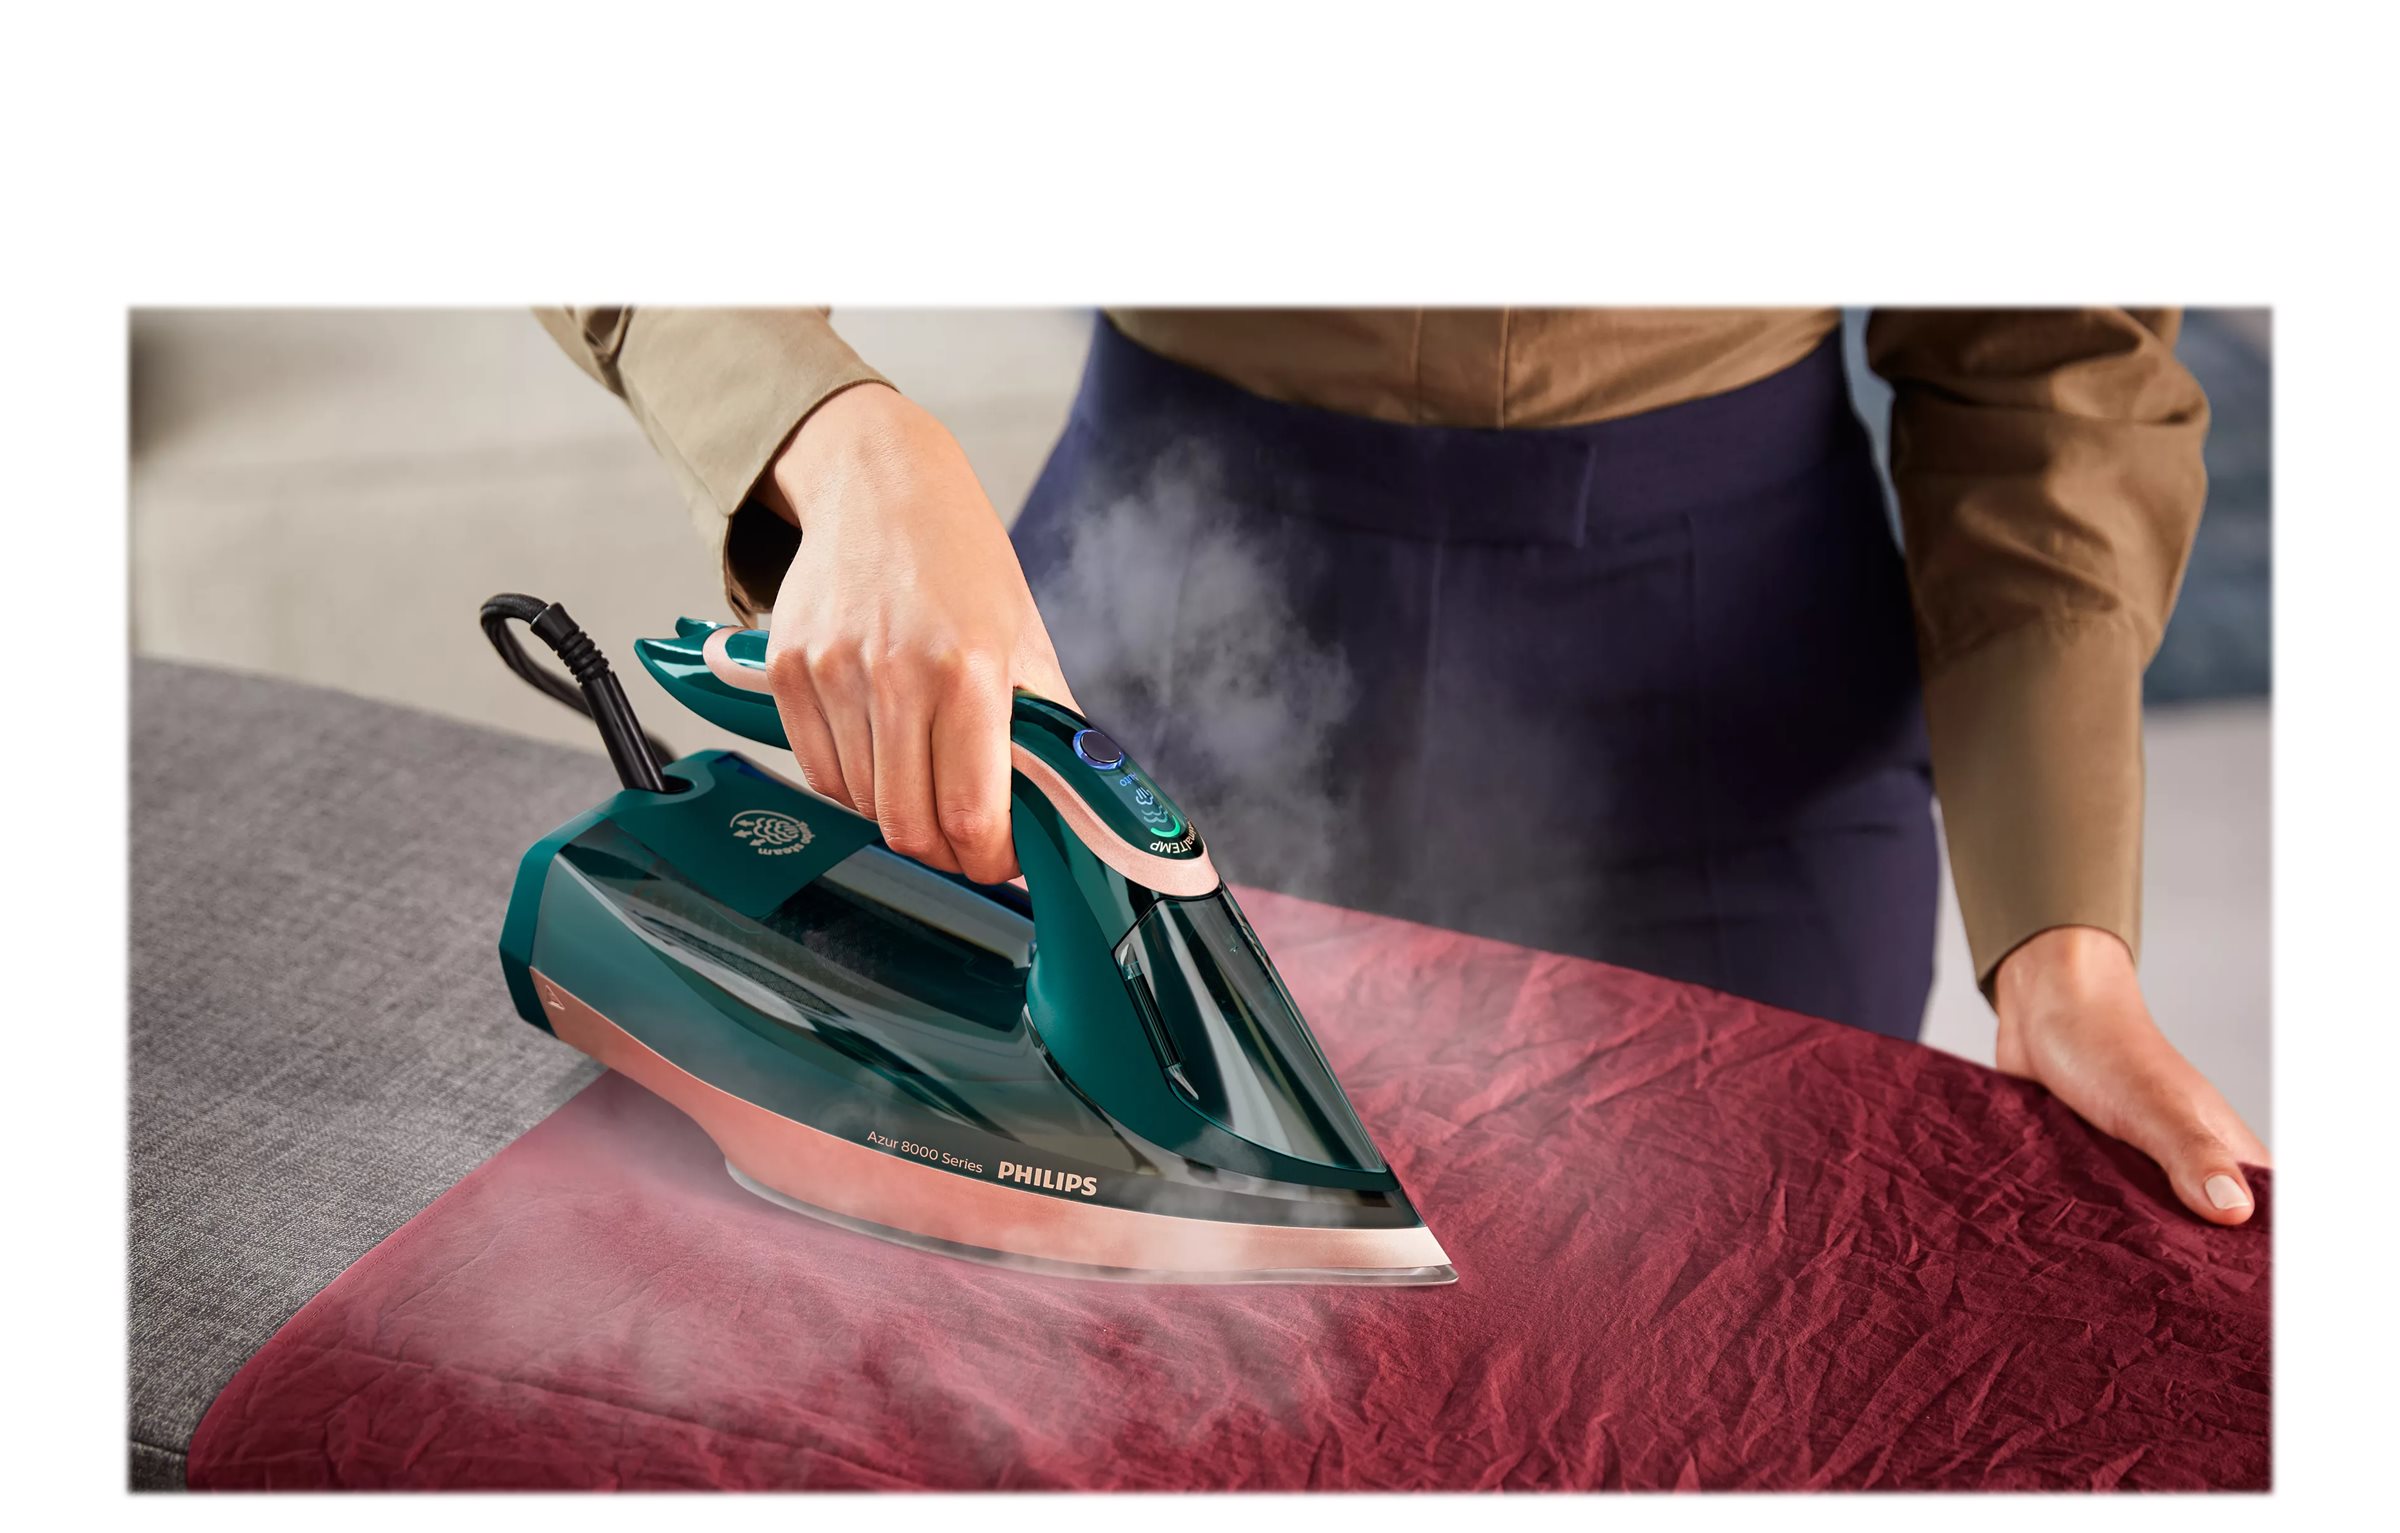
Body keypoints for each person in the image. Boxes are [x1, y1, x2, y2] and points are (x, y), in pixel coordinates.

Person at [538, 305, 2269, 1227]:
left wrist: (2062, 946)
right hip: (1166, 588)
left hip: (1729, 680)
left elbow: (2052, 356)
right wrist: (838, 445)